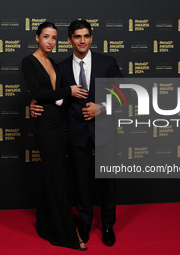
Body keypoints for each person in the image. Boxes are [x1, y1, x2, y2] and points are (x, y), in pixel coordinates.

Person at [30, 20, 123, 246]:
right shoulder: (60, 67)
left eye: (87, 36)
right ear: (70, 40)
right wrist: (33, 102)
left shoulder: (107, 62)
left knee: (108, 181)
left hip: (105, 131)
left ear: (91, 38)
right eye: (78, 36)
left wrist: (100, 107)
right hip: (76, 133)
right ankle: (85, 222)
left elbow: (125, 93)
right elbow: (51, 94)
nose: (83, 40)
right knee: (80, 183)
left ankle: (108, 224)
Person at [21, 22, 89, 251]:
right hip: (45, 124)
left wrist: (64, 94)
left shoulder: (54, 64)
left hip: (61, 122)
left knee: (55, 174)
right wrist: (66, 90)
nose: (50, 42)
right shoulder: (29, 62)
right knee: (57, 176)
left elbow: (57, 97)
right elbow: (39, 93)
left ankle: (45, 222)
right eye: (46, 37)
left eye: (54, 38)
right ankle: (67, 233)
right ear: (37, 38)